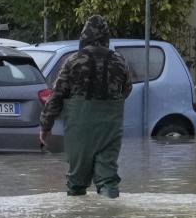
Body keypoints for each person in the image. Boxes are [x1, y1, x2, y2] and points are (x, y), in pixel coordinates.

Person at [40, 15, 132, 198]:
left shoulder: (72, 61)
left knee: (77, 181)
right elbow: (126, 90)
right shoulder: (119, 61)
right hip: (110, 127)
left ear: (83, 37)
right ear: (106, 38)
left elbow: (57, 95)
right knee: (108, 178)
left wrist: (46, 125)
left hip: (80, 128)